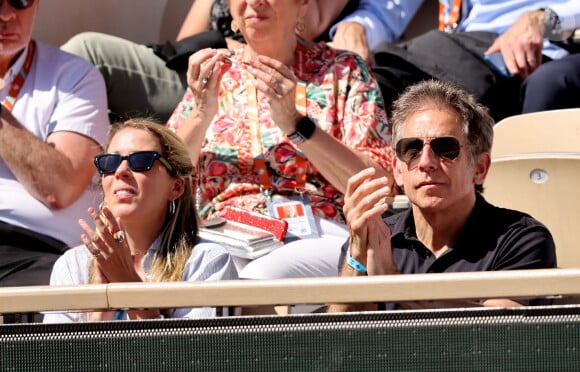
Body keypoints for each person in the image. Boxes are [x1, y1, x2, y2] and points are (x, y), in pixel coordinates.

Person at [167, 0, 395, 281]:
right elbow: (164, 180)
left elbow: (379, 186)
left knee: (256, 276)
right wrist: (201, 113)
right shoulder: (215, 75)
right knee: (203, 269)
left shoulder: (341, 71)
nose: (254, 2)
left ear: (302, 5)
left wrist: (298, 126)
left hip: (316, 230)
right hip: (224, 235)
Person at [328, 80, 557, 313]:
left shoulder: (522, 239)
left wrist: (391, 282)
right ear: (398, 170)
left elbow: (500, 331)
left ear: (480, 169)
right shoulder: (375, 236)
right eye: (412, 149)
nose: (426, 162)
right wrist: (357, 255)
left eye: (446, 149)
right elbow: (340, 339)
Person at [43, 119, 238, 323]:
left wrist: (128, 285)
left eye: (141, 160)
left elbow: (192, 353)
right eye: (110, 162)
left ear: (176, 187)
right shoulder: (72, 265)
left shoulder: (206, 261)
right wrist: (101, 311)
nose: (121, 171)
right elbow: (62, 355)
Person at [61, 0, 359, 123]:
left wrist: (248, 43)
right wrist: (227, 47)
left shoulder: (344, 69)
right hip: (203, 66)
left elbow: (309, 22)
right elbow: (186, 40)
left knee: (88, 51)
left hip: (273, 67)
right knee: (86, 51)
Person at [0, 0, 109, 288]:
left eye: (20, 0)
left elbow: (59, 188)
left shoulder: (74, 76)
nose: (7, 14)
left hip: (33, 249)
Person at [350, 1, 579, 121]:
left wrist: (546, 18)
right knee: (364, 83)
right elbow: (390, 7)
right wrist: (356, 28)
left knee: (547, 84)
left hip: (558, 47)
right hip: (474, 50)